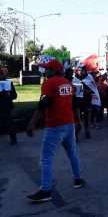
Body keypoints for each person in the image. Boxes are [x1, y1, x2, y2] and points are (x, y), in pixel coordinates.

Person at [26, 59, 84, 203]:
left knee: (46, 158)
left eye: (47, 69)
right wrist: (78, 121)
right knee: (72, 153)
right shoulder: (68, 84)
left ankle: (46, 190)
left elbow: (43, 104)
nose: (45, 71)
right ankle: (78, 180)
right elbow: (74, 105)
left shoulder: (49, 83)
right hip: (69, 124)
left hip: (55, 126)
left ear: (53, 70)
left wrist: (32, 123)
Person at [0, 64, 18, 145]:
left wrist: (8, 95)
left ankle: (13, 139)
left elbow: (14, 95)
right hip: (5, 106)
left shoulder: (8, 83)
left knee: (9, 123)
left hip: (6, 107)